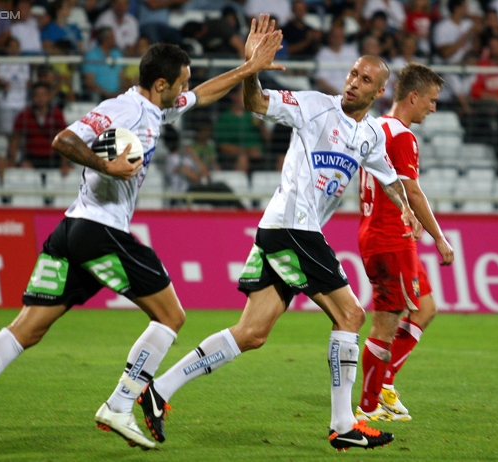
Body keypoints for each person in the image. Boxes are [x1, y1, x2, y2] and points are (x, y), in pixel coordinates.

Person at [0, 31, 285, 461]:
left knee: (28, 327)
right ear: (161, 84)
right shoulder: (123, 109)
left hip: (71, 231)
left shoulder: (157, 109)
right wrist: (106, 165)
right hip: (100, 230)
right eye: (183, 83)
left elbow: (205, 96)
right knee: (171, 316)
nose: (187, 90)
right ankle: (119, 404)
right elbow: (64, 139)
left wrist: (249, 69)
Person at [136, 14, 422, 452]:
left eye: (364, 80)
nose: (353, 83)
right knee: (350, 316)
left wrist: (408, 210)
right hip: (292, 226)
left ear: (378, 92)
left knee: (251, 333)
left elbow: (391, 179)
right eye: (352, 73)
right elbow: (257, 104)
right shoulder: (313, 105)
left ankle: (159, 390)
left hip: (285, 232)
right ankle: (344, 422)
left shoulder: (367, 137)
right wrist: (252, 67)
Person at [354, 63, 454, 422]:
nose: (433, 107)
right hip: (390, 237)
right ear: (414, 97)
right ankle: (370, 408)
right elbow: (411, 190)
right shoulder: (401, 136)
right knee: (385, 323)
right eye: (431, 100)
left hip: (379, 231)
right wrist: (440, 238)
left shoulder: (374, 126)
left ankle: (386, 385)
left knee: (425, 307)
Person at [7, 82, 70, 170]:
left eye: (43, 95)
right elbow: (15, 139)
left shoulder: (56, 114)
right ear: (32, 97)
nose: (40, 98)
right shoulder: (24, 115)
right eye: (37, 95)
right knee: (24, 168)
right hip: (32, 157)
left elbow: (62, 140)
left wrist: (64, 163)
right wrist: (12, 161)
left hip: (52, 156)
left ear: (48, 96)